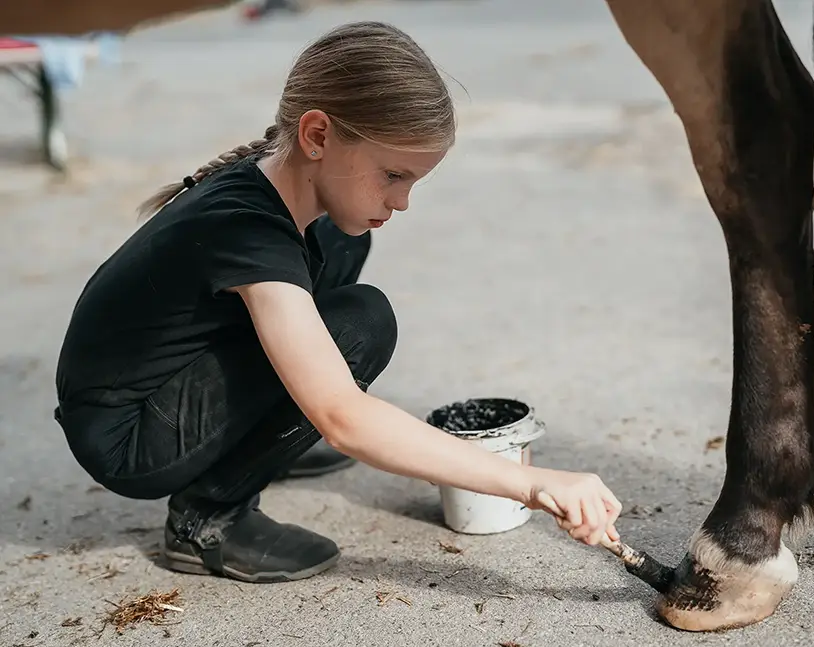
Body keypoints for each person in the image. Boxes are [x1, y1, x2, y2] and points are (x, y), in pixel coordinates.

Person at [53, 21, 623, 583]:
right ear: (318, 135)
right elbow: (344, 418)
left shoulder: (293, 201)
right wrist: (533, 483)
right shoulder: (247, 232)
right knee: (361, 325)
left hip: (167, 383)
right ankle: (208, 515)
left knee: (345, 239)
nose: (401, 201)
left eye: (413, 183)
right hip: (127, 436)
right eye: (393, 175)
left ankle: (263, 438)